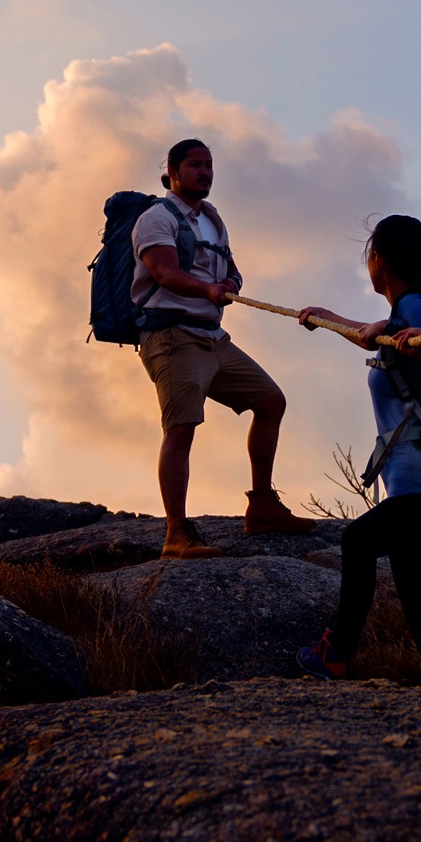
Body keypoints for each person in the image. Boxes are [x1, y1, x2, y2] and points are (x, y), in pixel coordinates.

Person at [293, 216, 421, 685]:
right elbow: (371, 334)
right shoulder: (407, 311)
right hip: (420, 485)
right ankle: (339, 654)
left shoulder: (415, 309)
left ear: (380, 262)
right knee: (376, 557)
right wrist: (327, 318)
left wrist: (415, 345)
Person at [132, 138, 314, 559]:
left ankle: (263, 505)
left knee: (270, 401)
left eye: (209, 165)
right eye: (195, 165)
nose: (205, 172)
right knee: (181, 429)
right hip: (173, 336)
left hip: (212, 337)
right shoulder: (156, 218)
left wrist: (230, 284)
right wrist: (207, 288)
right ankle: (176, 532)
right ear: (173, 173)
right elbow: (163, 272)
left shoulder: (212, 219)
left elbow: (229, 270)